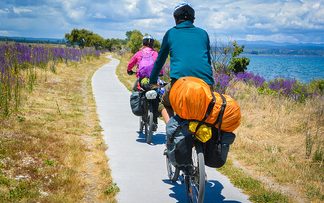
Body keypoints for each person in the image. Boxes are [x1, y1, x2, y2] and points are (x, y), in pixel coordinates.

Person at [149, 2, 214, 123]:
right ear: (193, 19)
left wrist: (152, 81)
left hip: (180, 85)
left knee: (163, 102)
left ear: (175, 18)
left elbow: (159, 61)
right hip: (206, 86)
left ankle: (171, 131)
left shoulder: (171, 33)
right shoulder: (203, 33)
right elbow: (208, 61)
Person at [127, 34, 159, 130]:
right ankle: (154, 120)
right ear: (152, 44)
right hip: (153, 80)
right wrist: (160, 73)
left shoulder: (139, 53)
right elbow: (160, 66)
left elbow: (130, 64)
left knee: (135, 91)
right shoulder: (155, 54)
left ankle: (140, 108)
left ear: (143, 43)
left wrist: (129, 70)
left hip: (141, 80)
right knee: (156, 96)